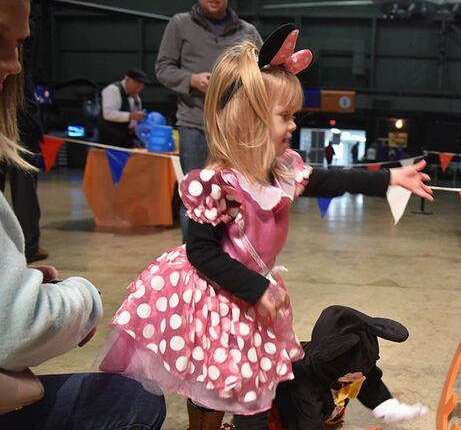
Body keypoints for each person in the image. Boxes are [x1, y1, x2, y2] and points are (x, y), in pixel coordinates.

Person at [100, 26, 433, 430]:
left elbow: (332, 179)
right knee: (224, 387)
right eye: (285, 116)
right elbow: (200, 252)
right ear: (248, 120)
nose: (293, 126)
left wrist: (389, 180)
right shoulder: (218, 182)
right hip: (214, 299)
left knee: (254, 388)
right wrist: (256, 287)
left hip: (252, 297)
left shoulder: (280, 173)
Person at [0, 0, 166, 428]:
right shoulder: (114, 94)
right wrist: (85, 299)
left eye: (18, 45)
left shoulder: (134, 99)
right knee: (134, 400)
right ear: (128, 82)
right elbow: (20, 327)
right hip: (106, 145)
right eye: (1, 41)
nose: (14, 64)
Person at [156, 0, 263, 239]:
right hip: (194, 125)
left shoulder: (247, 31)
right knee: (195, 197)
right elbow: (163, 68)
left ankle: (230, 260)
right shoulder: (179, 24)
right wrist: (191, 79)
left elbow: (263, 72)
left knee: (237, 197)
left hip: (235, 131)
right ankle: (194, 258)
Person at [271, 306, 428, 429]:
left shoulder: (357, 364)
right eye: (349, 375)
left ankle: (331, 410)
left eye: (362, 371)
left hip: (325, 399)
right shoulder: (302, 380)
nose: (358, 377)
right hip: (289, 413)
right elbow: (306, 422)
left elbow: (371, 382)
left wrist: (388, 407)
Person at [0, 28, 47, 263]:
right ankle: (29, 246)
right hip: (22, 133)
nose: (14, 65)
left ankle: (28, 246)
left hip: (22, 133)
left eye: (19, 43)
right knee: (25, 192)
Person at [97, 69, 149, 148]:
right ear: (127, 80)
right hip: (109, 140)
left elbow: (136, 116)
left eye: (140, 88)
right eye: (136, 86)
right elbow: (108, 114)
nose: (138, 90)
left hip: (127, 139)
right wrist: (131, 116)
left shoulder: (136, 97)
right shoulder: (113, 90)